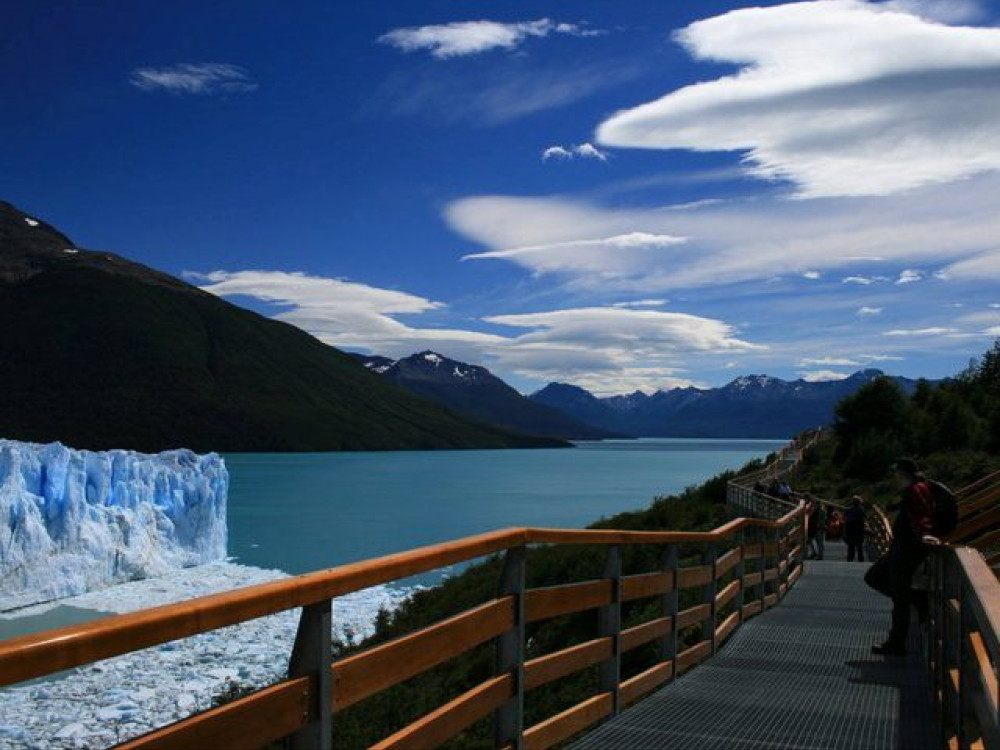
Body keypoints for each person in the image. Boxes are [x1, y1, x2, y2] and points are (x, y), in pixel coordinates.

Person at [864, 458, 938, 656]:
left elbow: (922, 515)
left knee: (891, 590)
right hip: (904, 547)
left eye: (897, 473)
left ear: (904, 473)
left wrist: (925, 534)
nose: (896, 477)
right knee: (887, 585)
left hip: (906, 549)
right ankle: (917, 601)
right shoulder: (921, 487)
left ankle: (897, 641)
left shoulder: (915, 489)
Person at [844, 496, 866, 562]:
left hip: (850, 529)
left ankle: (850, 557)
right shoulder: (861, 510)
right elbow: (862, 520)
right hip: (858, 529)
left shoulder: (849, 510)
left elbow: (846, 517)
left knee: (851, 545)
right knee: (859, 546)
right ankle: (860, 558)